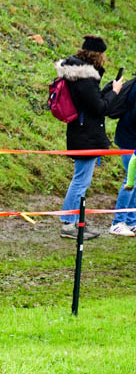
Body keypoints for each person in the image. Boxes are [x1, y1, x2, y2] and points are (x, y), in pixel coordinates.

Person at [56, 35, 122, 239]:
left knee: (81, 180)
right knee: (80, 181)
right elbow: (99, 107)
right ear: (97, 55)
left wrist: (108, 88)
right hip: (86, 135)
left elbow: (91, 99)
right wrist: (114, 93)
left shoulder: (80, 75)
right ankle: (69, 224)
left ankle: (75, 221)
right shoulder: (85, 78)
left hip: (82, 132)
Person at [108, 80, 136, 236]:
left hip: (130, 137)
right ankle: (117, 223)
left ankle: (131, 221)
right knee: (131, 180)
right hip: (129, 140)